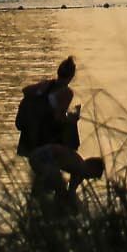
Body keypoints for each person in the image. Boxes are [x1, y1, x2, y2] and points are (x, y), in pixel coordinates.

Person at [21, 56, 102, 195]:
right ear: (72, 75)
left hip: (36, 137)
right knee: (54, 177)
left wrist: (42, 102)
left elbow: (25, 90)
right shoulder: (67, 92)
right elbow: (58, 117)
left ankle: (36, 208)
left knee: (41, 180)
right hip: (51, 136)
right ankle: (56, 206)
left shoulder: (47, 84)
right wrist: (72, 118)